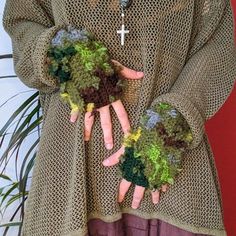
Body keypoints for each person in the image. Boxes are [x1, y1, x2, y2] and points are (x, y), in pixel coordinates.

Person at [2, 0, 236, 235]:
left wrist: (168, 127)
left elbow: (217, 44)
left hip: (169, 171)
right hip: (71, 167)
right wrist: (71, 55)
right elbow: (22, 22)